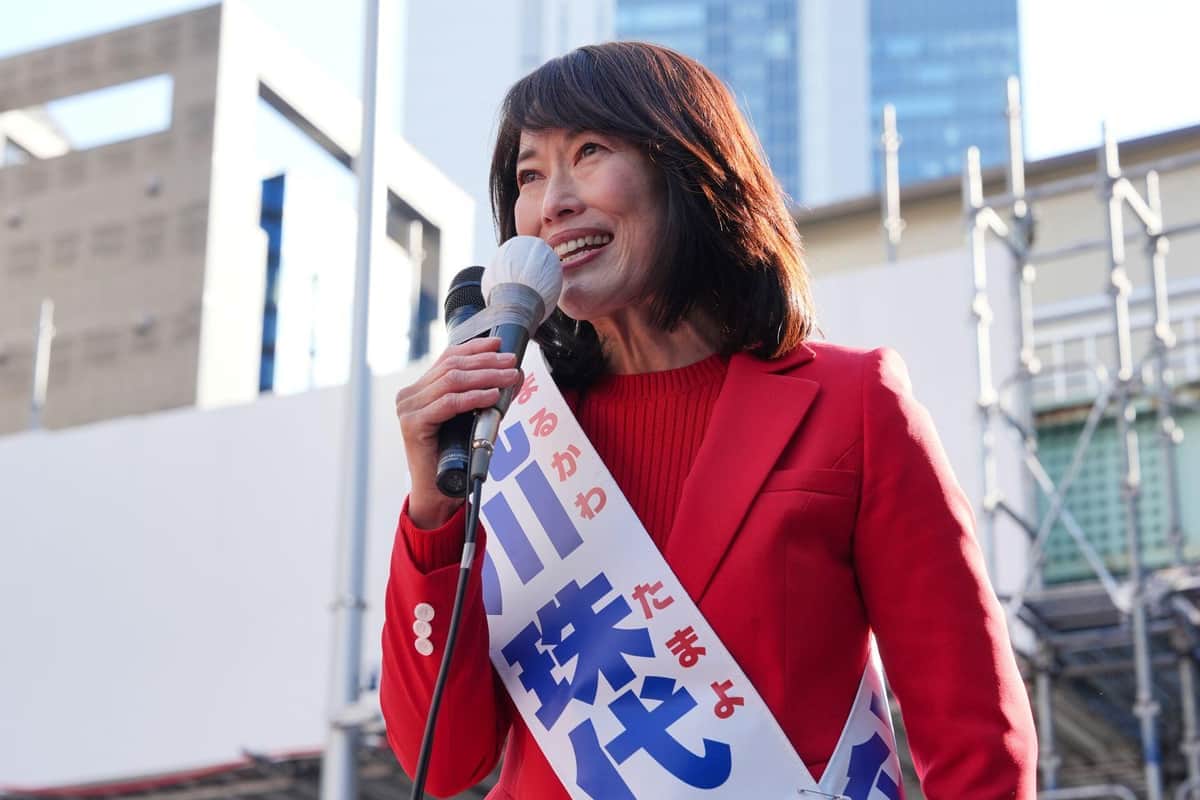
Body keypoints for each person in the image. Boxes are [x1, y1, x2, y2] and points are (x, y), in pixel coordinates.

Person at [381, 41, 1037, 799]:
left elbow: (973, 734)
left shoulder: (851, 403)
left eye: (589, 152)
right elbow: (445, 757)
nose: (551, 201)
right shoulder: (513, 438)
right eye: (529, 174)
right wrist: (434, 513)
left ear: (689, 170)